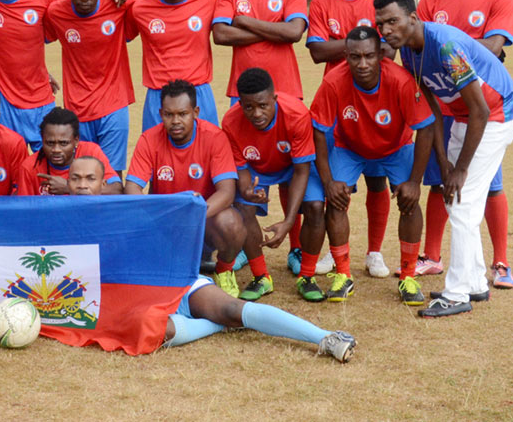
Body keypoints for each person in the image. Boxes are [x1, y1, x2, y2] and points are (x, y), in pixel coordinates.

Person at [67, 156, 356, 362]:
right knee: (157, 331)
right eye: (75, 178)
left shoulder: (125, 210)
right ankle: (217, 323)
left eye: (90, 178)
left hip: (173, 282)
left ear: (104, 183)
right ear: (65, 182)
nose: (82, 185)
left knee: (232, 308)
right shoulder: (58, 219)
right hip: (133, 301)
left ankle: (325, 336)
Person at [374, 0, 513, 317]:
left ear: (412, 18)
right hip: (465, 116)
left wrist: (461, 168)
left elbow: (481, 109)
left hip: (496, 115)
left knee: (464, 201)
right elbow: (434, 111)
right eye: (381, 24)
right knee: (454, 196)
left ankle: (456, 295)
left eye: (393, 22)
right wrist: (443, 164)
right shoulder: (410, 51)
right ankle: (474, 284)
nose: (385, 31)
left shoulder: (446, 46)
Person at [415, 0, 513, 288]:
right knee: (439, 178)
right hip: (443, 100)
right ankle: (431, 256)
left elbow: (492, 47)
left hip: (479, 103)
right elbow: (421, 42)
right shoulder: (432, 0)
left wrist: (454, 53)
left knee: (486, 184)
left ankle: (500, 263)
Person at [310, 26, 435, 305]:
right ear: (346, 56)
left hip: (396, 147)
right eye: (355, 57)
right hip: (350, 148)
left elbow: (425, 128)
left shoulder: (401, 80)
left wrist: (414, 182)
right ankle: (343, 275)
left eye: (369, 56)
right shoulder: (333, 81)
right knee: (337, 199)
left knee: (409, 201)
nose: (362, 64)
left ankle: (408, 277)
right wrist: (329, 180)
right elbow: (319, 130)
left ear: (381, 54)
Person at [306, 0, 392, 279]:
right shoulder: (322, 2)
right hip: (338, 99)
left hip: (377, 100)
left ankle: (374, 252)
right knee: (336, 184)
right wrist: (361, 44)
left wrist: (339, 46)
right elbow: (316, 52)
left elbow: (389, 50)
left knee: (376, 181)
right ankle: (333, 250)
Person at [125, 80, 244, 296]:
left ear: (196, 112)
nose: (176, 121)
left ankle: (224, 271)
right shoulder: (149, 139)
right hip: (165, 224)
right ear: (160, 113)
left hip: (203, 221)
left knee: (232, 222)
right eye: (169, 115)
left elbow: (227, 192)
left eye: (182, 113)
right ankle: (176, 265)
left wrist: (194, 215)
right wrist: (156, 216)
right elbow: (132, 187)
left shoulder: (215, 137)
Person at [221, 68, 326, 301]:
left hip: (292, 166)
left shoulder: (297, 114)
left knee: (316, 207)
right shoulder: (230, 122)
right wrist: (248, 190)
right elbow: (241, 168)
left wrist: (288, 222)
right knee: (243, 208)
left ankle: (307, 276)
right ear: (239, 104)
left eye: (263, 106)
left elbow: (301, 170)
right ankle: (261, 277)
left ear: (274, 99)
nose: (256, 113)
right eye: (248, 107)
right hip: (257, 168)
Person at [44, 0, 136, 174]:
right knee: (81, 174)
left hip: (114, 105)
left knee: (112, 175)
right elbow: (30, 39)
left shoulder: (118, 3)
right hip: (77, 108)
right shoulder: (56, 12)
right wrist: (42, 72)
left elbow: (160, 2)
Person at [127, 0, 219, 130]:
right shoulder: (140, 9)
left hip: (199, 92)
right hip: (158, 96)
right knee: (157, 155)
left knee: (207, 152)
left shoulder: (208, 1)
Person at [15, 107, 123, 195]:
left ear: (76, 140)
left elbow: (116, 189)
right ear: (42, 139)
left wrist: (68, 188)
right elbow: (26, 210)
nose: (56, 149)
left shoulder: (91, 152)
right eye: (50, 143)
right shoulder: (30, 167)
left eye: (63, 143)